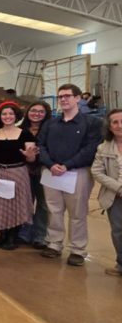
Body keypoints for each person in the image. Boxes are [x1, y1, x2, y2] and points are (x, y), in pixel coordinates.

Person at [38, 84, 102, 266]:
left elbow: (90, 148)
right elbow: (41, 145)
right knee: (53, 210)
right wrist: (50, 164)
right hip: (51, 172)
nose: (63, 99)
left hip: (77, 172)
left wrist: (67, 165)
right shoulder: (50, 123)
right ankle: (54, 243)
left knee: (77, 213)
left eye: (67, 95)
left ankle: (77, 249)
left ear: (78, 98)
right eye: (61, 96)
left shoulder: (92, 123)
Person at [0, 104, 38, 250]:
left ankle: (12, 237)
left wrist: (30, 156)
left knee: (15, 206)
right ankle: (2, 234)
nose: (7, 117)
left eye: (11, 114)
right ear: (0, 117)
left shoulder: (25, 134)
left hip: (17, 173)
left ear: (16, 116)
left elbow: (31, 158)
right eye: (4, 114)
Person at [91, 109, 122, 276]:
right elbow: (96, 172)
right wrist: (118, 188)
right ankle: (121, 264)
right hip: (114, 197)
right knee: (118, 231)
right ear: (109, 127)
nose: (119, 125)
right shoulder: (103, 148)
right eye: (115, 122)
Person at [18, 101, 53, 248]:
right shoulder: (20, 129)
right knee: (26, 203)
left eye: (40, 111)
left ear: (46, 114)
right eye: (33, 110)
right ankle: (24, 233)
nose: (36, 114)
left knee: (43, 204)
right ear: (28, 112)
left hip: (45, 170)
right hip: (24, 171)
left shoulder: (51, 129)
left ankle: (40, 235)